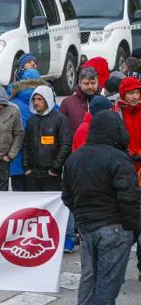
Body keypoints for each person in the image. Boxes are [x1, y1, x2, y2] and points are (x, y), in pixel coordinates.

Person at [62, 110, 140, 305]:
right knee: (106, 288)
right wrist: (134, 227)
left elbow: (67, 196)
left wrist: (82, 218)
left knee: (89, 281)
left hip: (88, 228)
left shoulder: (74, 159)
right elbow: (130, 198)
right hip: (115, 227)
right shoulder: (119, 158)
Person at [23, 85, 71, 190]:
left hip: (51, 174)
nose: (36, 102)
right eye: (34, 99)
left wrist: (55, 168)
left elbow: (65, 145)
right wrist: (26, 168)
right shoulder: (32, 121)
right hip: (33, 174)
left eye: (40, 99)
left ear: (48, 100)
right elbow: (26, 144)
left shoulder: (61, 120)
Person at [8, 69, 49, 191]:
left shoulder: (11, 103)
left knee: (20, 202)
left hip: (16, 161)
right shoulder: (47, 101)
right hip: (42, 163)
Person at [113, 76, 141, 173]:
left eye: (137, 92)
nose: (135, 97)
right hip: (124, 163)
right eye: (131, 93)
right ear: (123, 94)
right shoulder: (115, 113)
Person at [60, 67, 99, 133]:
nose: (90, 86)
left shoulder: (103, 102)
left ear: (97, 82)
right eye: (86, 83)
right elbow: (61, 129)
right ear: (80, 83)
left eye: (93, 83)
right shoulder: (67, 103)